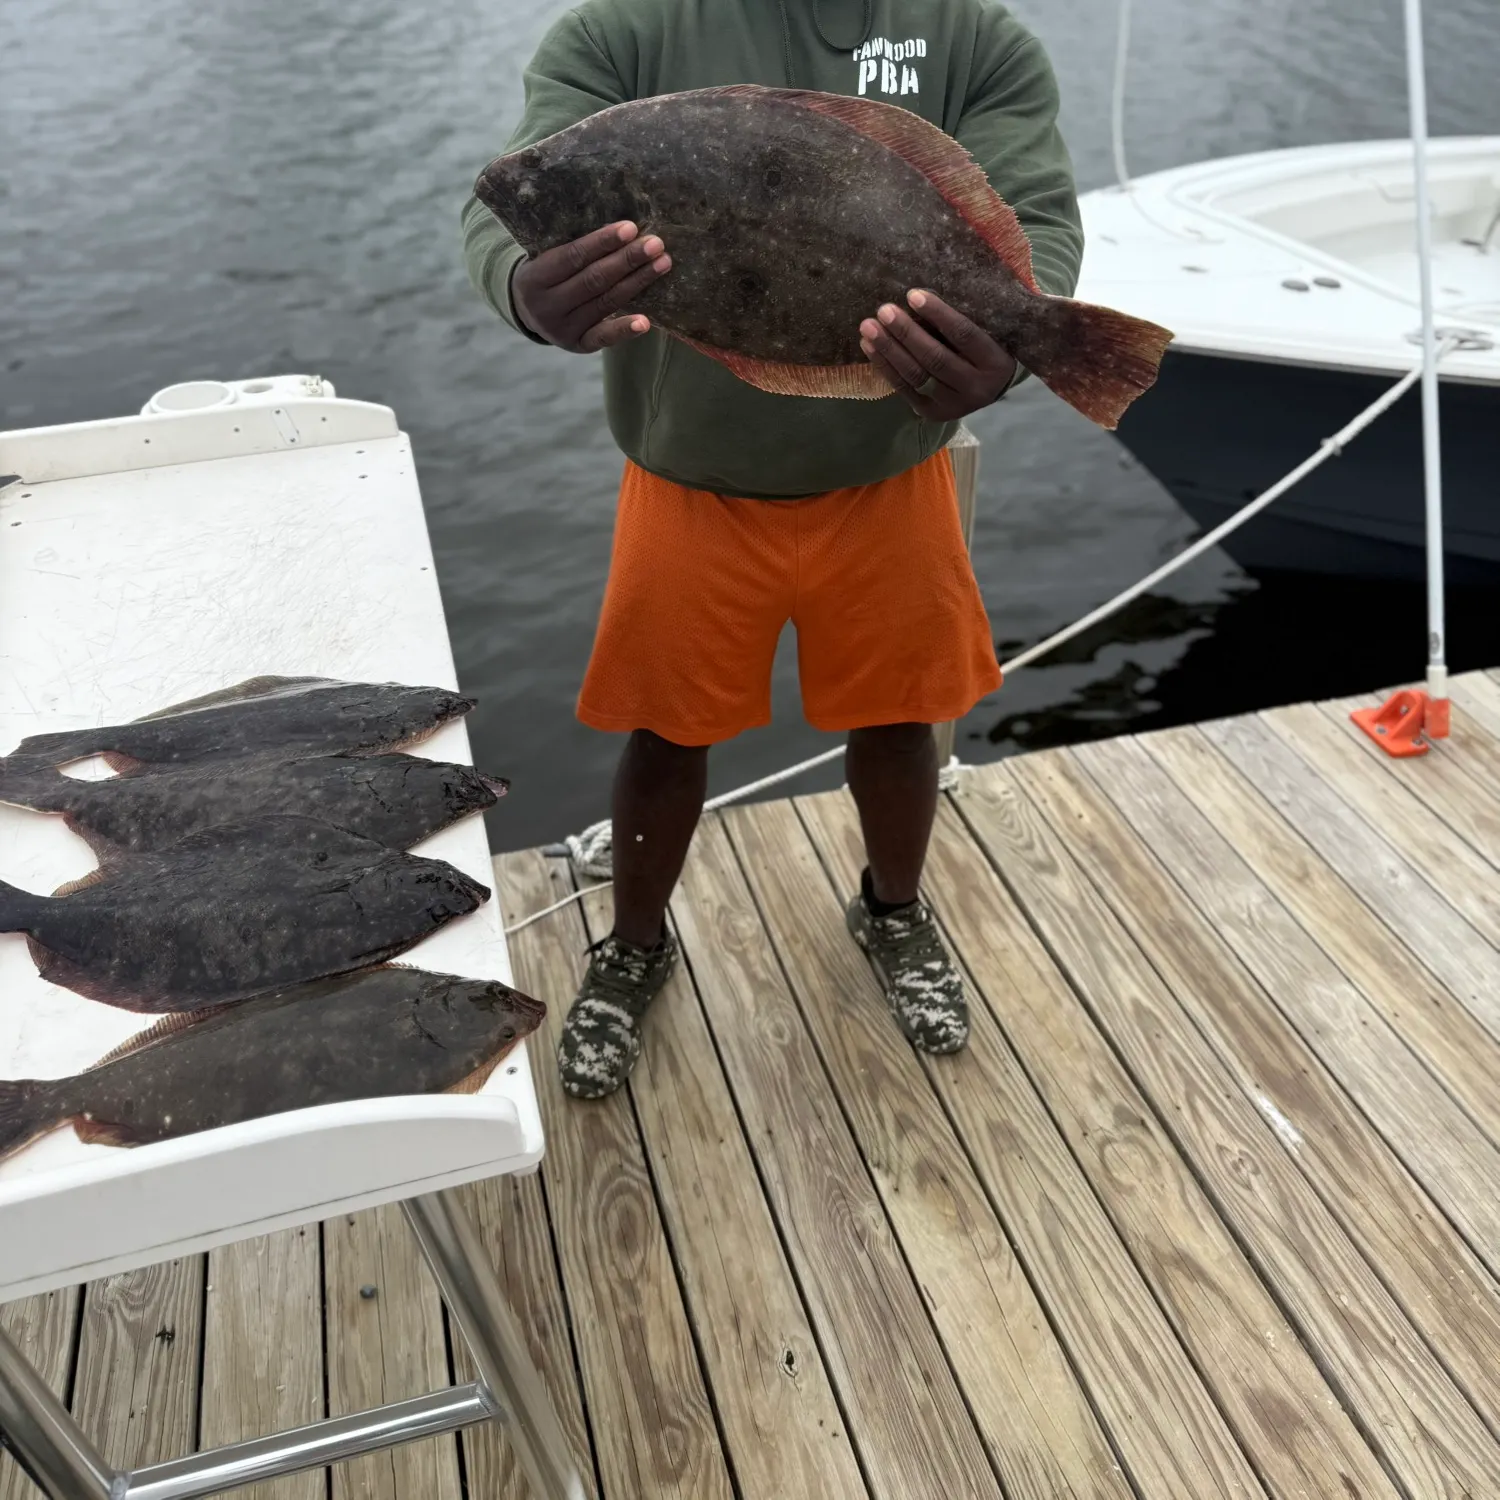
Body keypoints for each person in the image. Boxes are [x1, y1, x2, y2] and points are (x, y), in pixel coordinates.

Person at [463, 0, 1083, 1099]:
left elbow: (1036, 228)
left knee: (900, 719)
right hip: (689, 479)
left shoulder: (976, 39)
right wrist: (523, 290)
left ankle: (894, 912)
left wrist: (1019, 342)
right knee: (665, 732)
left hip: (893, 471)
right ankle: (635, 946)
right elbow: (504, 199)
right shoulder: (620, 35)